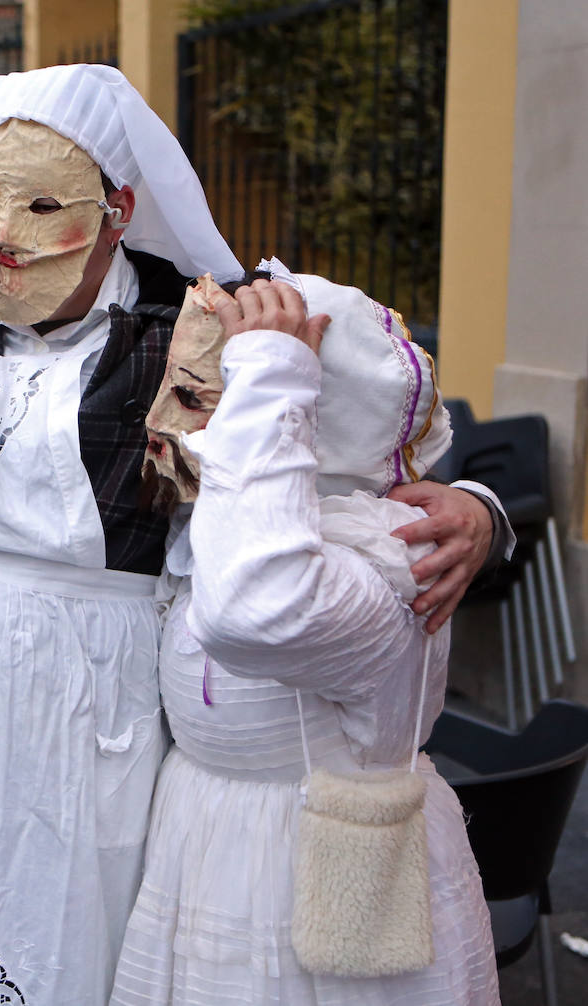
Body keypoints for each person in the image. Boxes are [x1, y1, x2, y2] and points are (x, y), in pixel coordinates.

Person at [0, 64, 503, 1005]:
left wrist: (478, 503)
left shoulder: (189, 324)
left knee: (70, 926)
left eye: (43, 203)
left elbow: (363, 424)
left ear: (118, 207)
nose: (8, 239)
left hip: (90, 679)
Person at [111, 266, 498, 1004]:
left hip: (317, 878)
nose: (163, 420)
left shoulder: (381, 564)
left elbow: (257, 607)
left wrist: (272, 375)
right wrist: (483, 504)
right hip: (209, 853)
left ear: (303, 408)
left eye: (201, 396)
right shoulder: (222, 518)